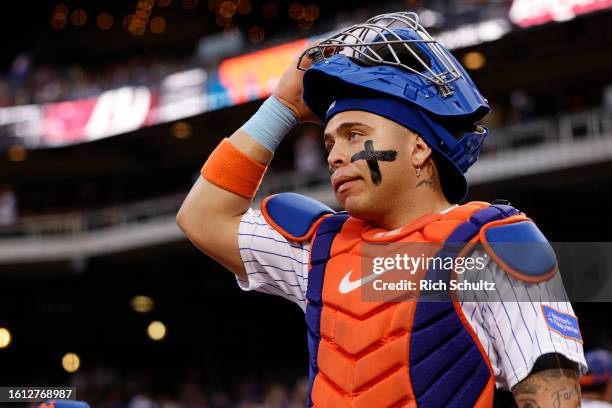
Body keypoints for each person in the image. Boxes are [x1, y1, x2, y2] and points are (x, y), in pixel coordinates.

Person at [177, 12, 586, 407]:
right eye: (330, 143)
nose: (336, 156)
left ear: (419, 147)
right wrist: (282, 106)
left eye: (355, 135)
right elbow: (202, 218)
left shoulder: (492, 244)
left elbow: (554, 394)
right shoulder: (320, 249)